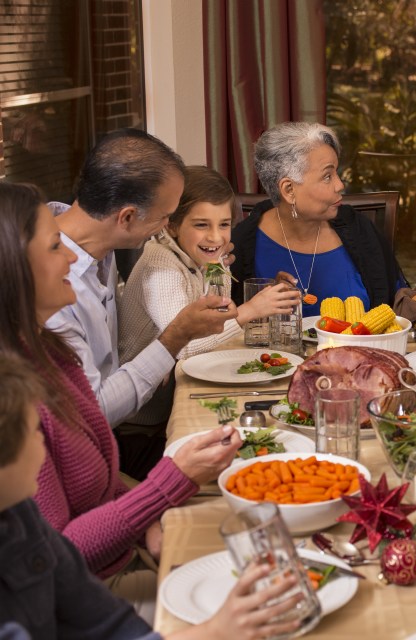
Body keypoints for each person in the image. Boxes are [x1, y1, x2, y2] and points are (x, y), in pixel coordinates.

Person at [0, 182, 242, 620]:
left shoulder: (52, 350)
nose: (73, 258)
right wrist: (166, 485)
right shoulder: (15, 399)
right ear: (14, 267)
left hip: (125, 554)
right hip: (88, 598)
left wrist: (147, 517)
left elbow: (101, 474)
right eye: (56, 246)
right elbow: (60, 555)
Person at [0, 358, 305, 640]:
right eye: (31, 430)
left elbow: (109, 620)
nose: (41, 437)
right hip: (114, 571)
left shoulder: (22, 517)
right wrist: (213, 632)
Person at [45, 128, 238, 430]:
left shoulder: (98, 247)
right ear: (127, 218)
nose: (166, 227)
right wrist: (175, 337)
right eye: (164, 217)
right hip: (106, 442)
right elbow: (95, 413)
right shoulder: (49, 285)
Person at [117, 166, 300, 422]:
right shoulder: (160, 264)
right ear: (171, 226)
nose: (215, 236)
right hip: (148, 407)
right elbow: (185, 346)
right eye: (201, 225)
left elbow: (217, 318)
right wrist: (251, 310)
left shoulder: (204, 256)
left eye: (224, 225)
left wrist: (262, 296)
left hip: (178, 383)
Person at [231, 121, 406, 317]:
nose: (340, 185)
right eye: (327, 176)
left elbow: (399, 306)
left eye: (336, 173)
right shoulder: (239, 246)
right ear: (289, 190)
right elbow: (225, 331)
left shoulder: (361, 231)